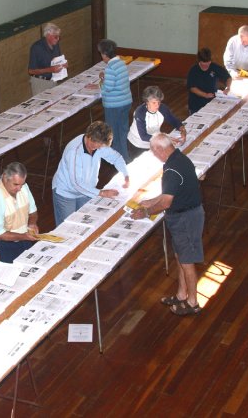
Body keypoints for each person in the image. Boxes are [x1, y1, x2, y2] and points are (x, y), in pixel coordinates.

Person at [129, 133, 204, 317]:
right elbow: (169, 194)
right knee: (180, 257)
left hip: (185, 218)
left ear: (160, 149)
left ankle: (192, 302)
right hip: (186, 215)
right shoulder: (180, 158)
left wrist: (145, 212)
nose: (154, 156)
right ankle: (181, 295)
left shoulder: (171, 170)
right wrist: (150, 201)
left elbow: (166, 203)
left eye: (154, 152)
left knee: (187, 261)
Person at [52, 121, 130, 225]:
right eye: (95, 145)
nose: (97, 148)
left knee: (86, 223)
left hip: (87, 190)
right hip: (66, 193)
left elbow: (116, 158)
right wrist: (101, 193)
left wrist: (126, 175)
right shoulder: (74, 151)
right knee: (67, 226)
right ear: (88, 137)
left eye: (100, 146)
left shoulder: (99, 144)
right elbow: (76, 183)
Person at [0, 162, 39, 264]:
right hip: (5, 246)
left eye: (22, 184)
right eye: (16, 184)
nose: (19, 188)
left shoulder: (24, 187)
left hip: (25, 240)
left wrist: (32, 223)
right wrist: (24, 236)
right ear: (5, 178)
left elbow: (33, 212)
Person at [128, 85, 185, 160]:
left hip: (155, 141)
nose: (157, 106)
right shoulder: (140, 113)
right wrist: (166, 139)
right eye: (154, 103)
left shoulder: (162, 108)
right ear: (147, 102)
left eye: (159, 102)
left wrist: (182, 129)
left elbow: (173, 120)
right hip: (137, 145)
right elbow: (143, 136)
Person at [98, 39, 133, 161]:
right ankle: (126, 156)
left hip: (114, 105)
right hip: (126, 102)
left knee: (112, 133)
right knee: (123, 130)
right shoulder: (121, 63)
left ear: (104, 54)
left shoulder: (110, 68)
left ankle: (119, 159)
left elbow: (107, 88)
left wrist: (102, 81)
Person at [27, 22, 68, 96]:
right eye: (56, 37)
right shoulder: (36, 48)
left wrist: (63, 64)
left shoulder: (55, 45)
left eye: (59, 37)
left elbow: (57, 59)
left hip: (53, 80)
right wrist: (50, 70)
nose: (58, 39)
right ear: (48, 35)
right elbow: (31, 71)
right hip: (40, 83)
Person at [187, 47, 232, 114]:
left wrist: (228, 88)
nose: (206, 65)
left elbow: (228, 78)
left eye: (208, 62)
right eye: (204, 63)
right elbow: (192, 88)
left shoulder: (214, 67)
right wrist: (204, 95)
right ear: (199, 61)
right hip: (196, 104)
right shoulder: (194, 70)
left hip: (212, 102)